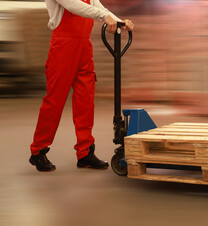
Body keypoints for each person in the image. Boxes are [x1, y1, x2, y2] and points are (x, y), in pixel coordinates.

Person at [29, 0, 134, 172]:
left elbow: (99, 7)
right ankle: (38, 150)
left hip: (84, 47)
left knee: (85, 101)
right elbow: (72, 5)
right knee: (54, 102)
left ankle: (85, 153)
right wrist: (105, 17)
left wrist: (120, 21)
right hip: (63, 47)